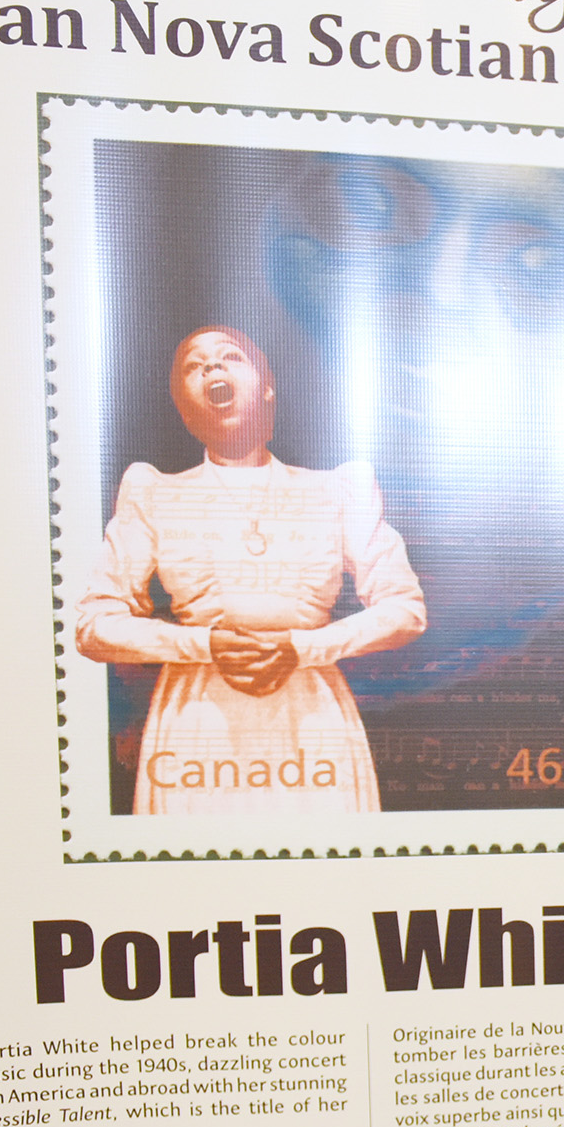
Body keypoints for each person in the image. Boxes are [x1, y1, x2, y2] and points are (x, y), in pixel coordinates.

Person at [76, 325, 427, 814]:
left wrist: (302, 648)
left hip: (312, 725)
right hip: (197, 729)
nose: (212, 368)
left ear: (266, 386)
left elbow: (405, 610)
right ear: (184, 408)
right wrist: (203, 645)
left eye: (229, 357)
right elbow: (94, 627)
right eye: (194, 366)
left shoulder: (338, 489)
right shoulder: (153, 492)